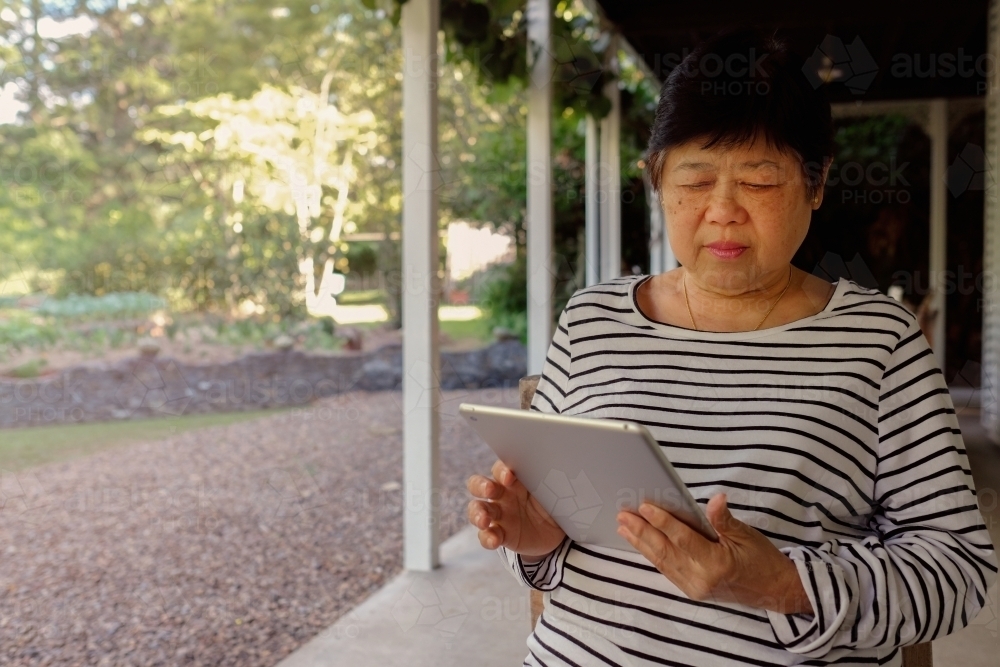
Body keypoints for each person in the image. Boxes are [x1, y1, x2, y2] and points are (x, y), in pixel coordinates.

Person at [465, 29, 997, 666]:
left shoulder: (880, 344)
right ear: (657, 178)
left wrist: (780, 583)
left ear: (817, 183)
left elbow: (956, 573)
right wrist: (536, 541)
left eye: (760, 182)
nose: (722, 211)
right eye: (694, 180)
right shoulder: (591, 319)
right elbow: (558, 549)